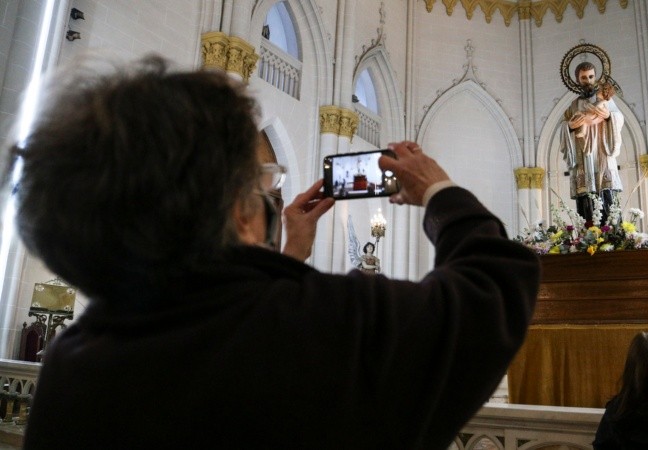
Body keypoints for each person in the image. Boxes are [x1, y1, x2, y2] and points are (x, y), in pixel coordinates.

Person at [7, 54, 540, 449]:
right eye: (261, 178)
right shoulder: (332, 324)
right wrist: (437, 190)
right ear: (237, 208)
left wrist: (287, 259)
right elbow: (495, 285)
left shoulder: (73, 364)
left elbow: (224, 319)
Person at [560, 62, 624, 225]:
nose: (588, 80)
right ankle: (588, 234)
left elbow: (618, 118)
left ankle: (613, 233)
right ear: (577, 80)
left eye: (591, 76)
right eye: (584, 78)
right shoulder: (574, 105)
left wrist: (609, 116)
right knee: (586, 200)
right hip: (583, 156)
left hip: (602, 153)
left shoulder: (605, 98)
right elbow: (564, 125)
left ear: (596, 77)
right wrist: (570, 126)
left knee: (607, 196)